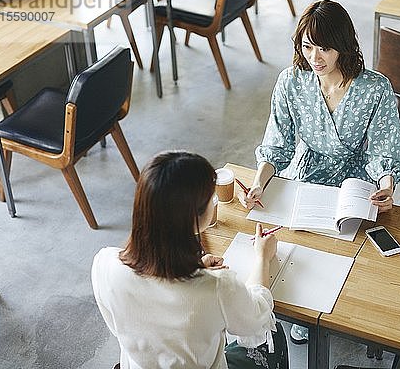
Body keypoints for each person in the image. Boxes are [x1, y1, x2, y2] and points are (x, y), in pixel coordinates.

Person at [238, 0, 400, 345]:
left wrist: (387, 185)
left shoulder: (374, 87)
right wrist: (258, 183)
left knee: (350, 245)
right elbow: (277, 144)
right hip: (310, 169)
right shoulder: (291, 81)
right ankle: (307, 309)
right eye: (306, 46)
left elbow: (383, 150)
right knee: (300, 238)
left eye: (324, 48)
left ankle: (345, 309)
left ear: (343, 47)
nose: (315, 57)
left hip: (357, 178)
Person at [91, 151, 289, 369]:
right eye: (211, 199)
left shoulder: (105, 263)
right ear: (195, 217)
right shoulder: (216, 286)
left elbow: (128, 326)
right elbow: (257, 318)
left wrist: (194, 268)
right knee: (275, 335)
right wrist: (263, 257)